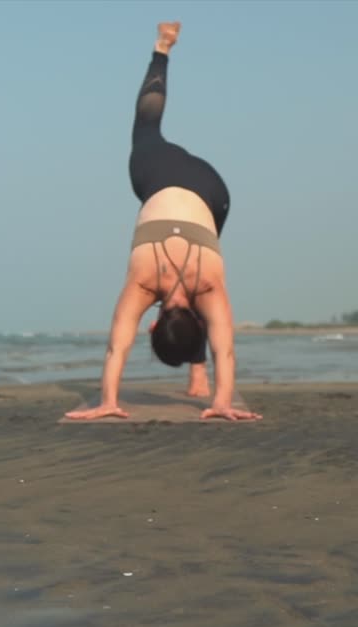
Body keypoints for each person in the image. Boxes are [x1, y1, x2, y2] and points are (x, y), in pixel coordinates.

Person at [65, 21, 261, 422]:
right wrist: (109, 400)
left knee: (214, 292)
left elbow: (227, 348)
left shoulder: (208, 287)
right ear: (153, 328)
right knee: (145, 128)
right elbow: (115, 347)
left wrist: (222, 402)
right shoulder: (141, 283)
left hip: (213, 191)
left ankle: (201, 377)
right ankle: (161, 49)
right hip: (163, 178)